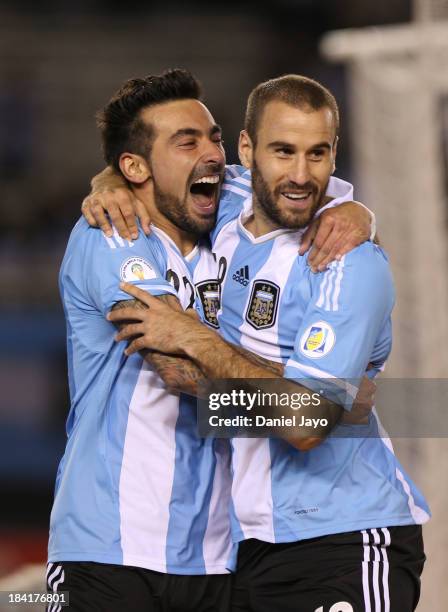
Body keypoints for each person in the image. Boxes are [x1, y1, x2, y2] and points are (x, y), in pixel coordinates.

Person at [50, 69, 374, 612]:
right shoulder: (112, 234)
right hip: (112, 549)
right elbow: (179, 371)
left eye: (215, 138)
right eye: (187, 142)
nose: (211, 155)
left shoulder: (228, 210)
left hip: (218, 557)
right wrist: (313, 408)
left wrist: (357, 213)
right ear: (134, 169)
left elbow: (306, 190)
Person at [107, 75, 430, 611]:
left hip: (346, 542)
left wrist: (194, 339)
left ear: (334, 155)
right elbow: (150, 173)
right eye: (283, 151)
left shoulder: (347, 262)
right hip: (251, 546)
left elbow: (305, 425)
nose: (301, 176)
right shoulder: (228, 205)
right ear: (246, 150)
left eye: (317, 154)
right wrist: (108, 184)